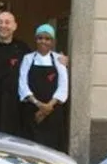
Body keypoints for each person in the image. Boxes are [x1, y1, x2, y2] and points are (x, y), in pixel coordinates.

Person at [18, 23, 69, 151]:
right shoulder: (28, 58)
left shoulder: (59, 58)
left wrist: (48, 106)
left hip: (53, 112)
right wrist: (38, 104)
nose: (43, 41)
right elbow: (22, 83)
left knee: (52, 147)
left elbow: (63, 84)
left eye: (47, 39)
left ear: (52, 41)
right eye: (40, 38)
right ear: (36, 40)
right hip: (32, 110)